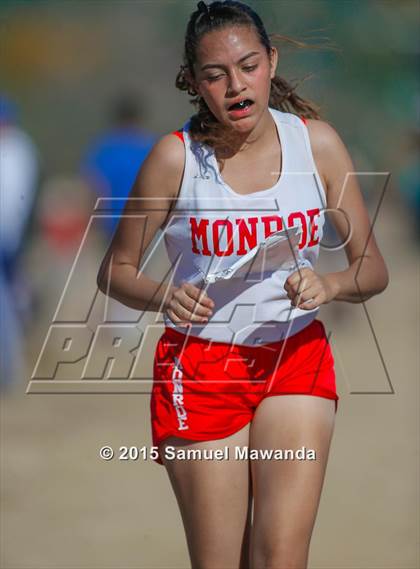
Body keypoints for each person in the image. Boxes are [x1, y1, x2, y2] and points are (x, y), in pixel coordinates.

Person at [97, 1, 389, 567]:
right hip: (202, 366)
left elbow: (372, 268)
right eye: (215, 74)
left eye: (249, 66)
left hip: (296, 358)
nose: (236, 85)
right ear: (193, 82)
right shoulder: (174, 159)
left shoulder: (317, 144)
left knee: (282, 556)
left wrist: (329, 286)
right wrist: (164, 294)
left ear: (271, 62)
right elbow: (116, 270)